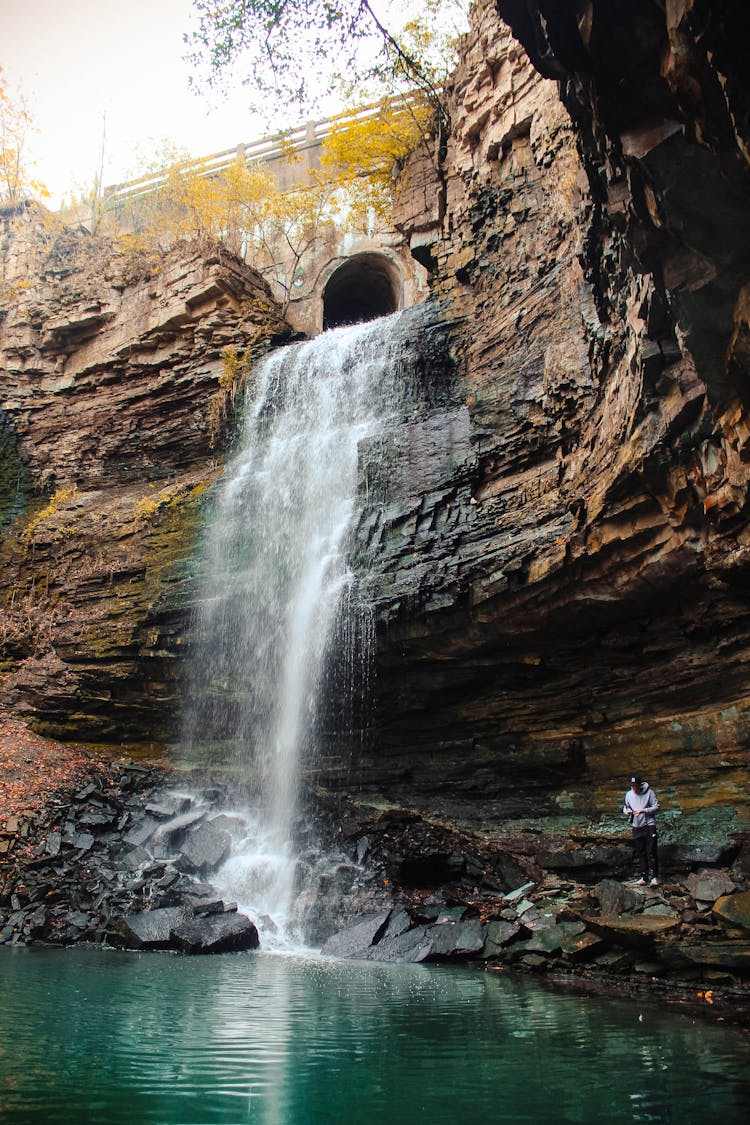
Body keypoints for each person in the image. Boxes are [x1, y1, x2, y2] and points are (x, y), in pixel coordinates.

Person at [623, 774, 660, 886]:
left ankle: (654, 877)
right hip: (636, 826)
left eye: (636, 786)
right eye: (632, 786)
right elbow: (626, 806)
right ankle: (644, 876)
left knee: (651, 851)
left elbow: (657, 806)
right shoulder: (629, 794)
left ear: (640, 785)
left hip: (648, 825)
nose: (634, 788)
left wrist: (644, 810)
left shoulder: (649, 792)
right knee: (641, 852)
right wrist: (627, 811)